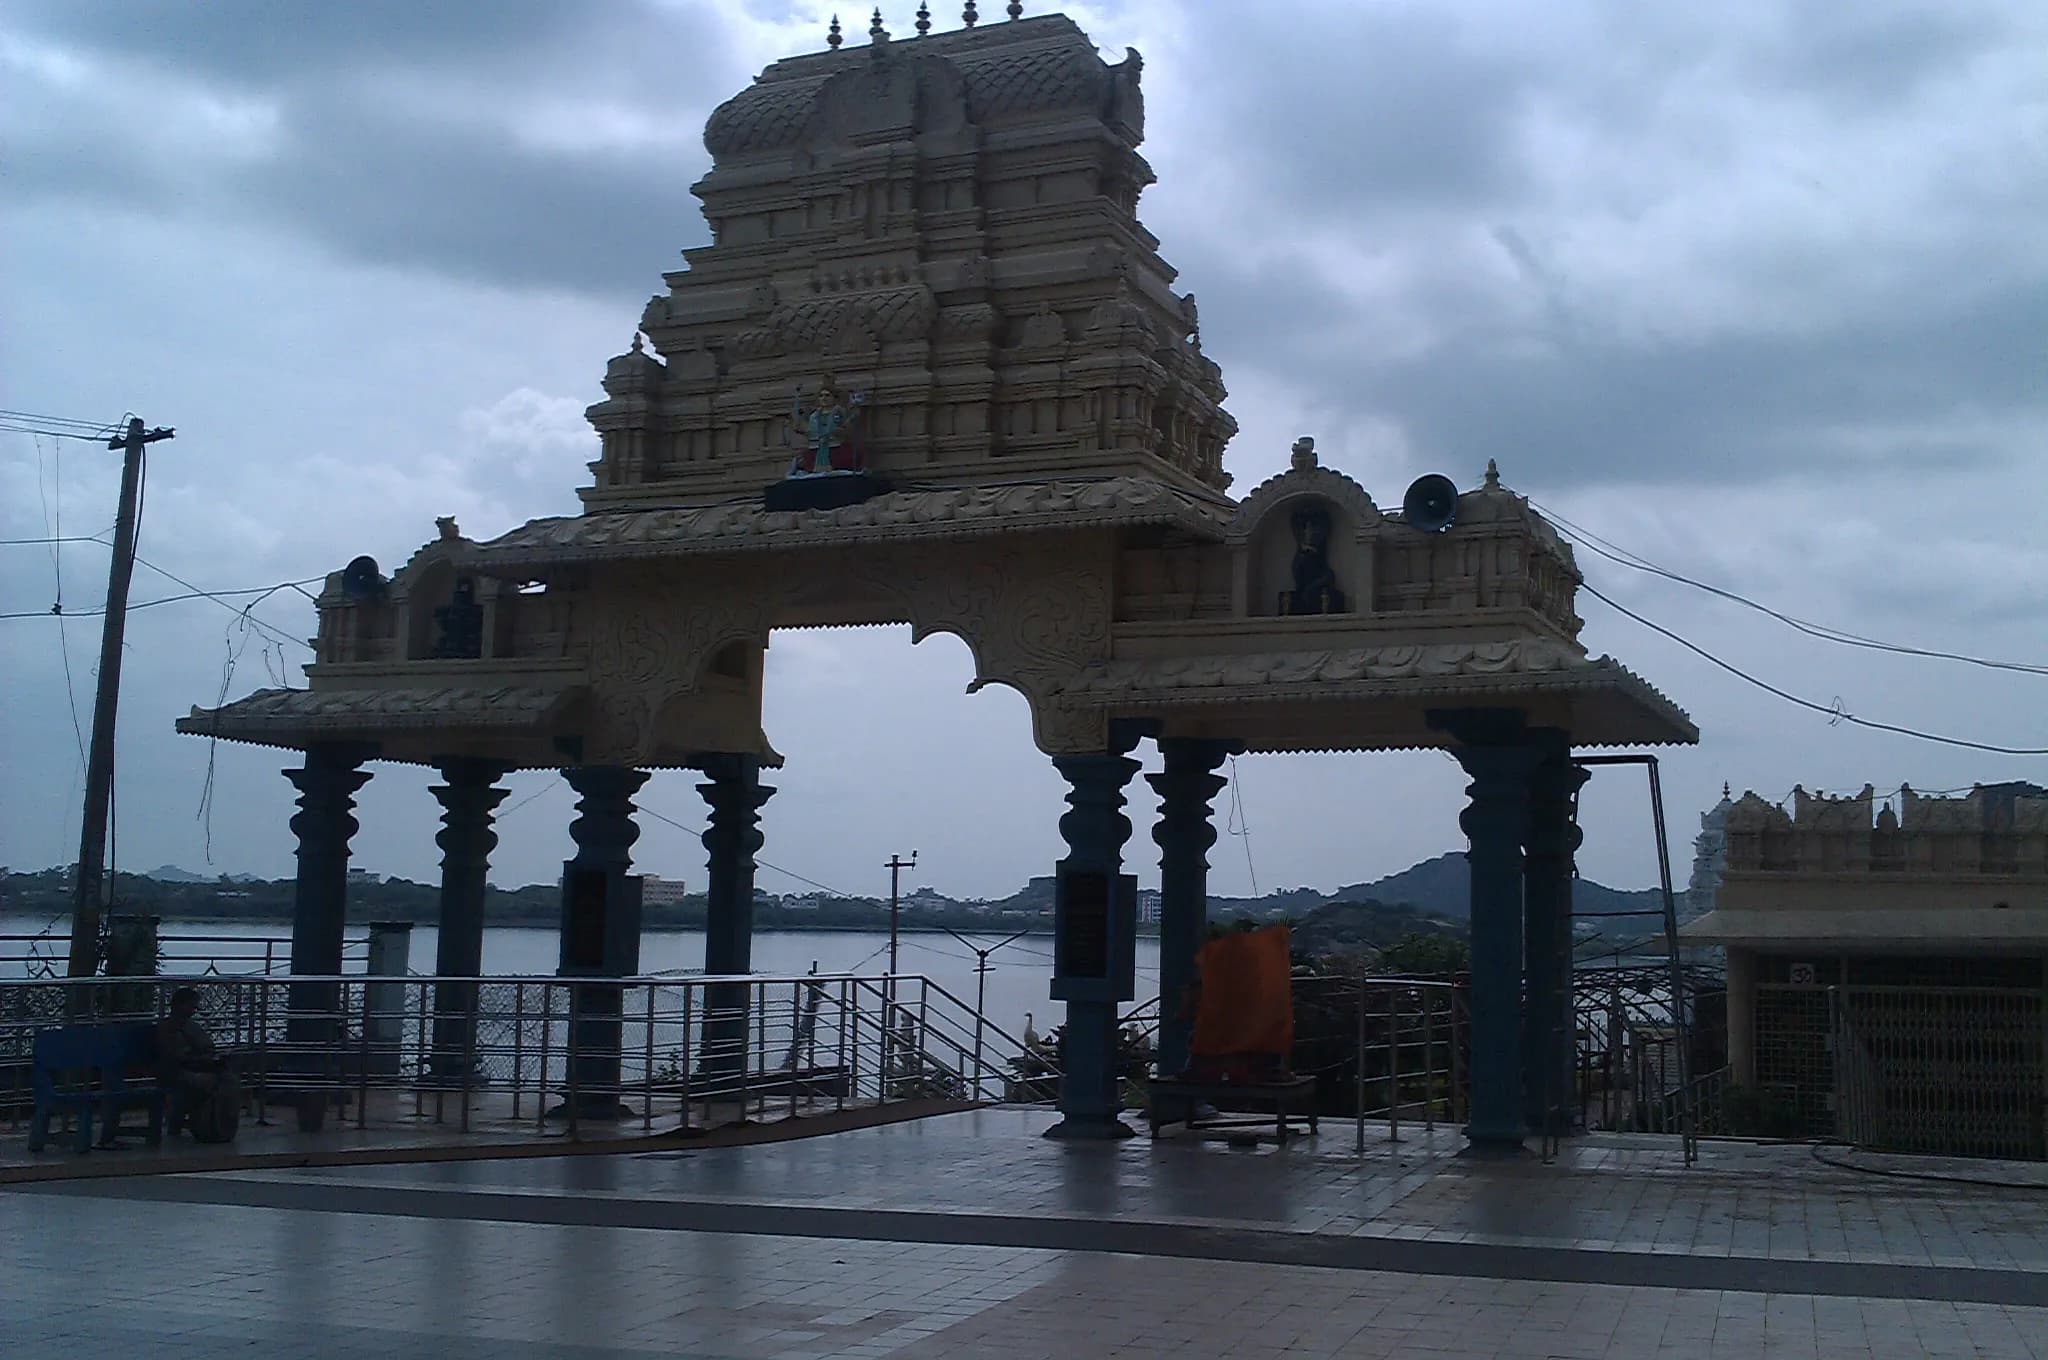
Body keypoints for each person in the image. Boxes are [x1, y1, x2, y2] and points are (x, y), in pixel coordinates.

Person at [155, 987, 234, 1139]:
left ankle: (216, 1125)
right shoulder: (168, 1028)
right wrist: (203, 1059)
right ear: (179, 1005)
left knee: (227, 1080)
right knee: (214, 1082)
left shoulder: (191, 1026)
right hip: (177, 1071)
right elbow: (176, 1056)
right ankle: (208, 1124)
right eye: (191, 1006)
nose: (194, 1010)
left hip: (193, 1067)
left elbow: (206, 1047)